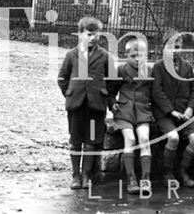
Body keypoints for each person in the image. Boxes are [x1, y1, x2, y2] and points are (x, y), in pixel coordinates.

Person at [58, 16, 112, 190]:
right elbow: (62, 78)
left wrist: (108, 98)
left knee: (91, 140)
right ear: (80, 34)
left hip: (95, 105)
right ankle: (75, 175)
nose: (93, 38)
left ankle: (87, 175)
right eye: (89, 34)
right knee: (75, 140)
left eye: (96, 34)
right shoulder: (72, 55)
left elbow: (112, 81)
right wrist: (70, 94)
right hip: (77, 104)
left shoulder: (104, 56)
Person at [152, 31, 194, 188]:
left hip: (185, 112)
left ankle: (183, 171)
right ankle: (167, 173)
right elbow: (157, 92)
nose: (174, 50)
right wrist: (171, 111)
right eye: (170, 47)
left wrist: (190, 109)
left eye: (178, 47)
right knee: (173, 137)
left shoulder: (188, 67)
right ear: (163, 48)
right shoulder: (158, 67)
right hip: (166, 114)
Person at [107, 39, 153, 194]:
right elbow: (111, 91)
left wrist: (154, 111)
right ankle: (131, 178)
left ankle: (146, 179)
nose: (137, 59)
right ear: (126, 55)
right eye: (133, 55)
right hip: (124, 111)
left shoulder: (150, 71)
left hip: (143, 111)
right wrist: (113, 103)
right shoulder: (120, 71)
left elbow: (155, 94)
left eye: (140, 55)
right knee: (130, 139)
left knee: (144, 139)